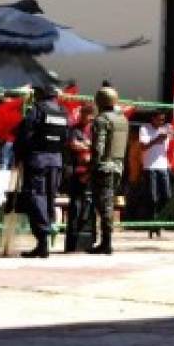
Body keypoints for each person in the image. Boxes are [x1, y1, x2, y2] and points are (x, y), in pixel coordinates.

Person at [14, 82, 69, 259]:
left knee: (36, 197)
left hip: (37, 160)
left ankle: (42, 242)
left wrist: (20, 155)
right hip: (56, 161)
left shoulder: (37, 110)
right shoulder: (62, 112)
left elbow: (25, 134)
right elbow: (65, 138)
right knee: (49, 198)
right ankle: (43, 241)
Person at [89, 85, 128, 255]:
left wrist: (93, 165)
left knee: (103, 204)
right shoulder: (122, 119)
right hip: (118, 166)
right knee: (108, 202)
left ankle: (106, 243)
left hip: (103, 167)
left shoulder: (102, 120)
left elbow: (99, 145)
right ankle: (106, 241)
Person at [64, 102, 97, 252]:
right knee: (75, 205)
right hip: (75, 171)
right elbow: (73, 144)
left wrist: (85, 145)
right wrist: (87, 145)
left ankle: (88, 238)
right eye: (84, 115)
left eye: (90, 117)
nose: (87, 119)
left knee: (89, 205)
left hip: (90, 172)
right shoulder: (74, 129)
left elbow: (98, 148)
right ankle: (73, 238)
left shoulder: (95, 130)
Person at [138, 109, 173, 236]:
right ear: (152, 118)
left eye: (163, 119)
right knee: (152, 198)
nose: (161, 122)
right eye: (159, 119)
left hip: (163, 166)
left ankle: (159, 221)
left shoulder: (167, 127)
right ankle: (152, 224)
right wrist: (156, 139)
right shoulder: (145, 128)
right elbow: (143, 147)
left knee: (167, 196)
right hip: (150, 167)